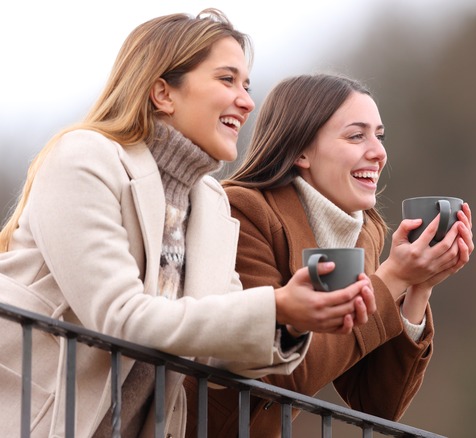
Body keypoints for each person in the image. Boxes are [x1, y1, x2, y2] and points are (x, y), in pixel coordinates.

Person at [0, 11, 375, 438]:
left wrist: (290, 321)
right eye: (227, 80)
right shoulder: (85, 158)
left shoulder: (211, 203)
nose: (248, 100)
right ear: (163, 92)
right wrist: (277, 305)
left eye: (247, 85)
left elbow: (218, 355)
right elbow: (120, 319)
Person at [183, 73, 474, 436]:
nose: (379, 152)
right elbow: (280, 372)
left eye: (379, 136)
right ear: (301, 150)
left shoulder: (364, 233)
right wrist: (394, 277)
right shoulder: (242, 211)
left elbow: (376, 403)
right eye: (356, 135)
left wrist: (417, 288)